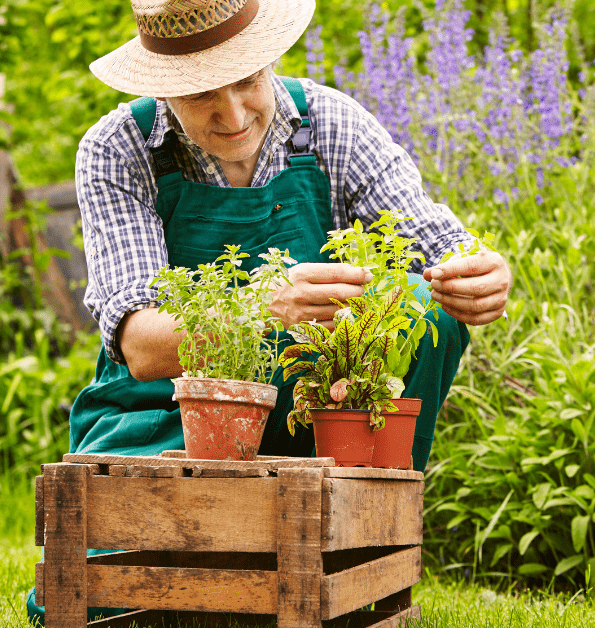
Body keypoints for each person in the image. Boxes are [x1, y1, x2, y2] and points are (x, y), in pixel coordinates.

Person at [26, 0, 510, 622]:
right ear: (163, 85)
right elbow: (142, 346)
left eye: (248, 81)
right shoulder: (121, 148)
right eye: (202, 91)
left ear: (270, 56)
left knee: (430, 310)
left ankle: (361, 552)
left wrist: (484, 274)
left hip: (313, 415)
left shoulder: (332, 123)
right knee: (117, 587)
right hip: (167, 416)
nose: (232, 115)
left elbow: (446, 251)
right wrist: (261, 305)